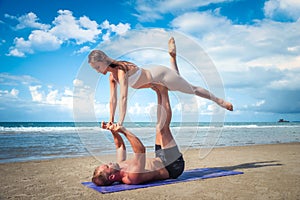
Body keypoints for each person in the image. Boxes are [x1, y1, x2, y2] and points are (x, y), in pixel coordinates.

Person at [88, 37, 233, 126]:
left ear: (104, 60)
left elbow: (123, 97)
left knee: (191, 89)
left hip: (160, 74)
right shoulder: (111, 77)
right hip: (155, 77)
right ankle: (172, 57)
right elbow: (112, 100)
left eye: (97, 67)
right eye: (94, 69)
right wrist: (111, 120)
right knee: (177, 78)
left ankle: (219, 100)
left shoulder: (120, 70)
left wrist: (120, 122)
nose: (97, 70)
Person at [92, 85, 185, 186]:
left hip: (160, 158)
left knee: (159, 126)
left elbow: (119, 146)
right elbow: (140, 150)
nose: (109, 163)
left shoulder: (120, 165)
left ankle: (159, 92)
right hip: (172, 166)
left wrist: (112, 130)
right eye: (107, 166)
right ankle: (164, 91)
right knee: (163, 128)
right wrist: (123, 131)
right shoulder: (132, 177)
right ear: (112, 177)